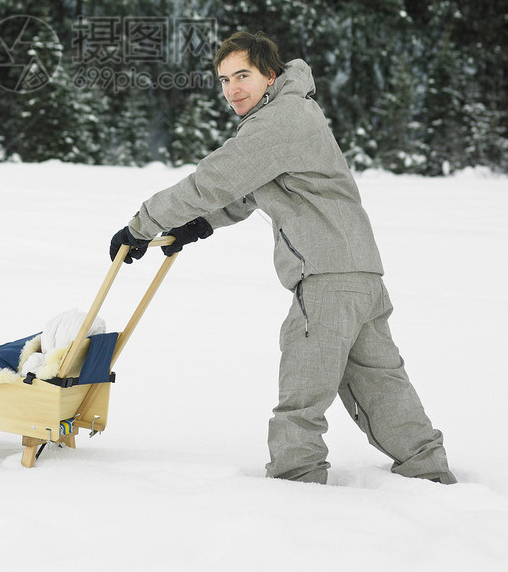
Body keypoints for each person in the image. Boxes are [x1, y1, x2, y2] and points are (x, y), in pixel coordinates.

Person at [110, 29, 456, 485]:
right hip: (358, 273)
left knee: (302, 392)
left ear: (270, 75)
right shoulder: (292, 112)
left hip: (327, 276)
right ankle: (429, 472)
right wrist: (200, 225)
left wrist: (141, 225)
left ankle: (296, 485)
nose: (232, 88)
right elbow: (254, 188)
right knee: (380, 383)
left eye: (243, 75)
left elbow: (210, 182)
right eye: (223, 79)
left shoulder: (280, 119)